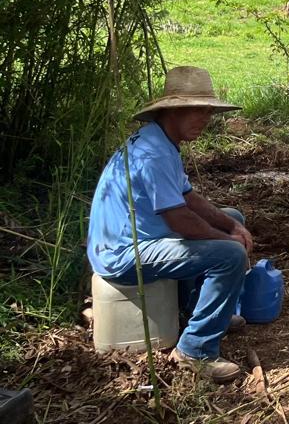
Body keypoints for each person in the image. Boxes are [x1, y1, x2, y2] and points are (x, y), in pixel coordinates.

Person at [87, 66, 252, 383]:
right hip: (124, 252)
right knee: (229, 255)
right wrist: (229, 241)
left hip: (144, 237)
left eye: (208, 111)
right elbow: (180, 220)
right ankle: (195, 351)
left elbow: (187, 197)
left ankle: (200, 311)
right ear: (172, 110)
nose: (205, 119)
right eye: (197, 110)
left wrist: (232, 228)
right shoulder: (154, 154)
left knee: (233, 218)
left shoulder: (161, 142)